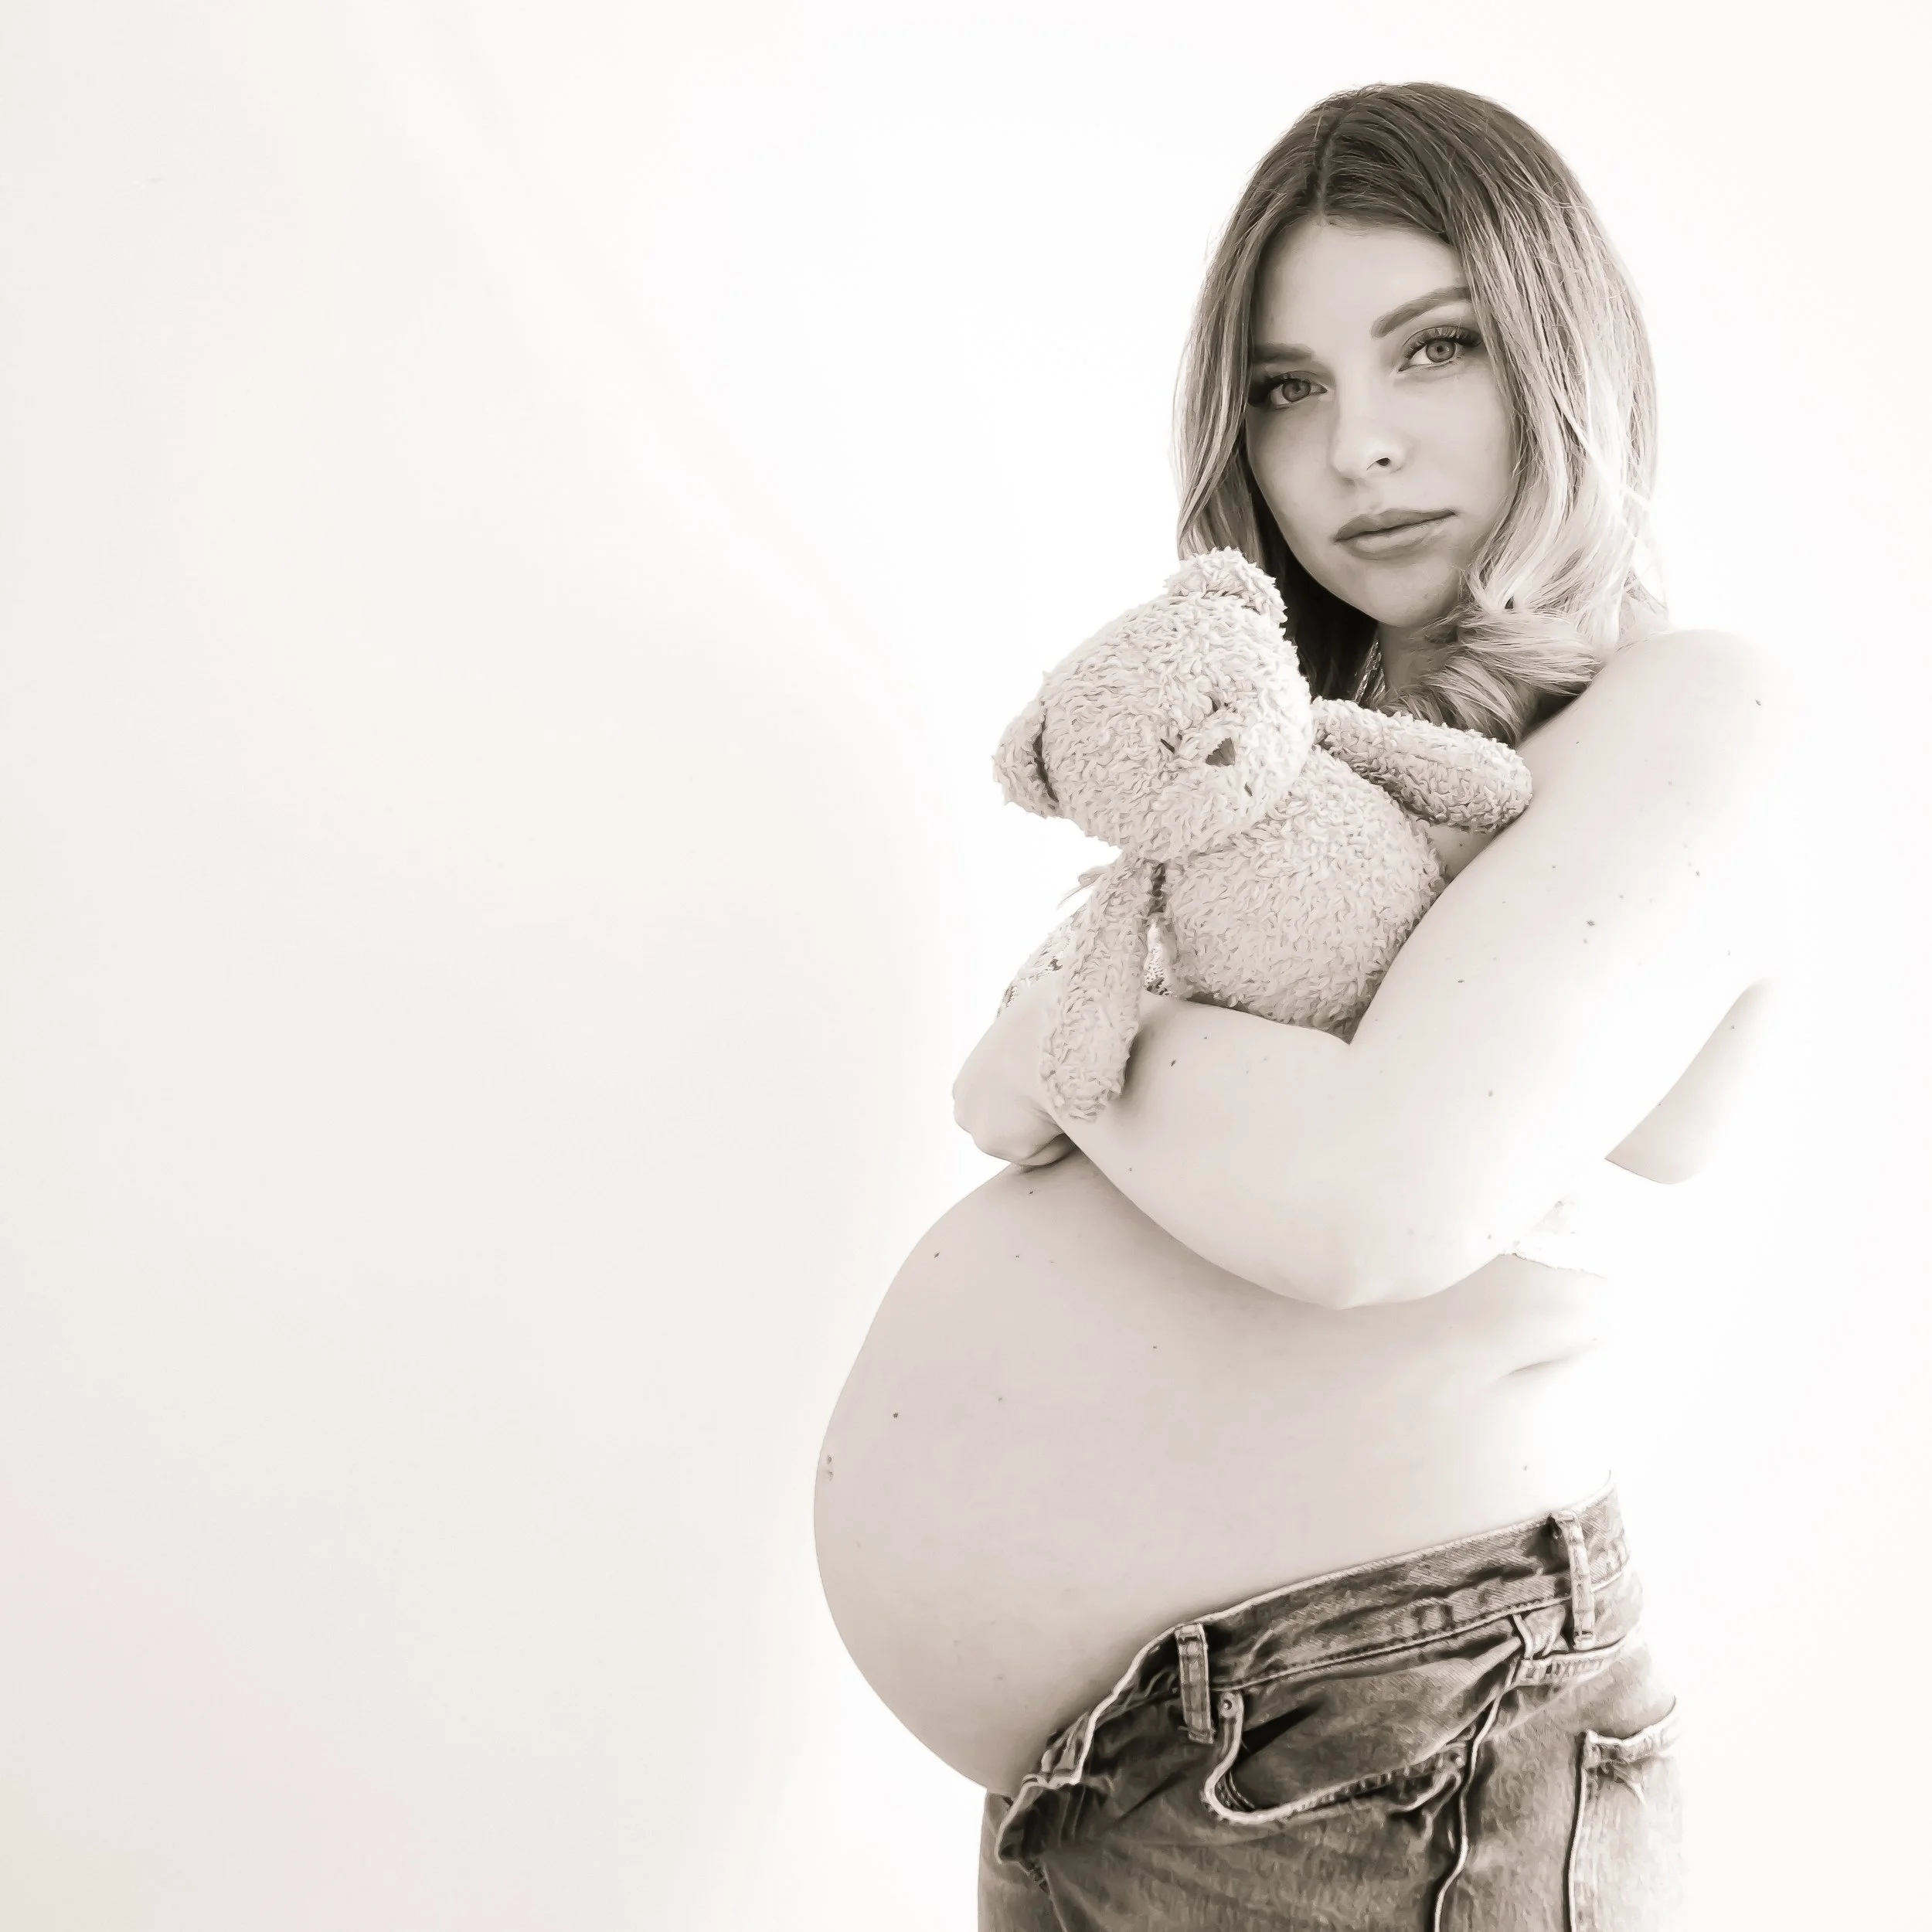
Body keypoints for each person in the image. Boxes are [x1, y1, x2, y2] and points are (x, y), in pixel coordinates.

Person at [815, 80, 1786, 1930]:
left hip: (1393, 1753)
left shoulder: (1697, 718)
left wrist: (1084, 1046)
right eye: (1285, 387)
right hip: (1146, 1772)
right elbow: (987, 1101)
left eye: (1435, 348)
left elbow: (1367, 1208)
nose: (1356, 447)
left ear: (1565, 353)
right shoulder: (1310, 770)